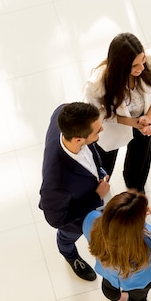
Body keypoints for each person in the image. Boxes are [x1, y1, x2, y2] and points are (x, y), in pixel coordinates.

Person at [39, 102, 110, 281]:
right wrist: (96, 197)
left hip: (91, 193)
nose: (101, 129)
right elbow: (56, 219)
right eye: (96, 130)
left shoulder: (62, 113)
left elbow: (91, 152)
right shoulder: (57, 182)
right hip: (75, 221)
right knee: (66, 239)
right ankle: (70, 256)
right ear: (78, 139)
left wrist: (100, 172)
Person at [83, 32, 151, 193]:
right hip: (113, 126)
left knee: (140, 160)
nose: (141, 68)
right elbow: (97, 115)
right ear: (121, 66)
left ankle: (135, 186)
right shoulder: (97, 83)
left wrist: (149, 117)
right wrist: (133, 122)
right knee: (104, 164)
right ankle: (100, 188)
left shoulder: (150, 59)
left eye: (142, 61)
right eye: (135, 66)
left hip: (144, 120)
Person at [83, 190, 151, 301]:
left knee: (109, 288)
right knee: (137, 299)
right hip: (140, 281)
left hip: (108, 272)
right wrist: (143, 225)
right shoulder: (150, 242)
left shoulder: (91, 220)